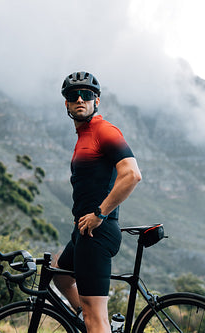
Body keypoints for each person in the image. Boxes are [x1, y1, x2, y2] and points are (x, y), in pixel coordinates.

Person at [54, 71, 142, 332]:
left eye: (87, 95)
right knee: (59, 272)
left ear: (97, 101)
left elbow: (132, 175)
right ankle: (84, 316)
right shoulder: (84, 136)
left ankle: (94, 321)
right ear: (67, 103)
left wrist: (99, 214)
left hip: (97, 232)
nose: (80, 99)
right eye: (73, 95)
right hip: (83, 231)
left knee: (97, 319)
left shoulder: (103, 130)